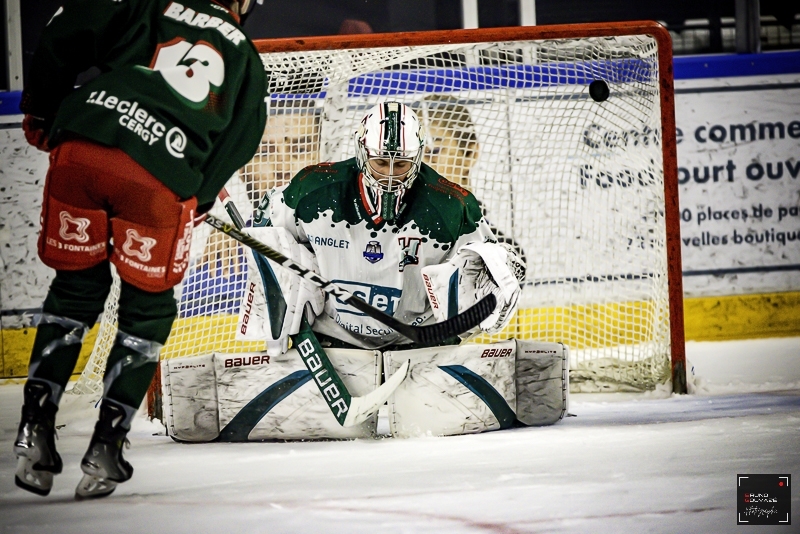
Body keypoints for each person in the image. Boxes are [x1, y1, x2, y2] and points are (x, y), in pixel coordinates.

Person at [14, 0, 267, 499]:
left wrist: (42, 107)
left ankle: (34, 428)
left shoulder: (151, 2)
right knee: (147, 307)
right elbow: (241, 138)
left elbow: (66, 27)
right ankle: (107, 446)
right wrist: (198, 194)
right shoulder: (245, 57)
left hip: (82, 146)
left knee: (75, 289)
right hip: (158, 174)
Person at [244, 101, 525, 353]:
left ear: (417, 157)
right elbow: (265, 231)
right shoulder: (315, 190)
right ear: (362, 152)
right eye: (380, 162)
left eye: (401, 164)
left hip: (420, 345)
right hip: (332, 339)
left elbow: (490, 270)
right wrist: (281, 286)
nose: (390, 175)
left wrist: (496, 284)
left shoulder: (452, 206)